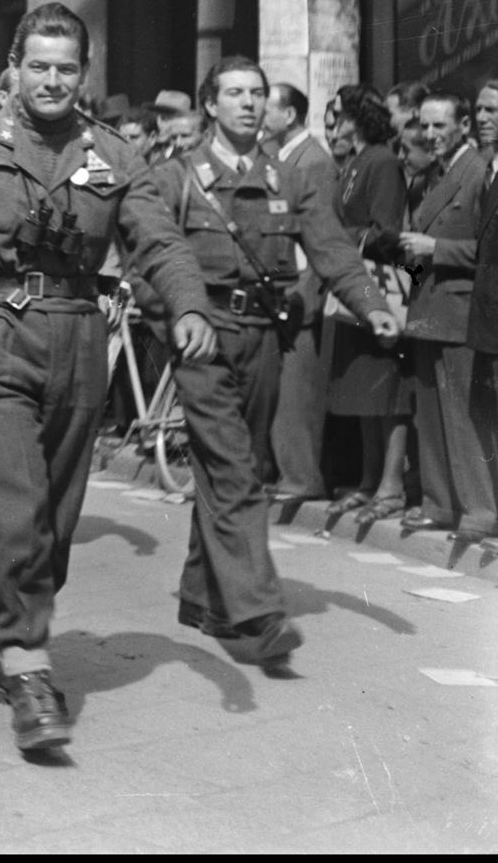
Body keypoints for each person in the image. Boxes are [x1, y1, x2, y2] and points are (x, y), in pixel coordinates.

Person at [0, 4, 215, 755]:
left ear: (84, 73)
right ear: (14, 69)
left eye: (66, 68)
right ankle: (28, 664)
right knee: (17, 512)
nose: (51, 80)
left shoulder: (113, 152)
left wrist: (187, 304)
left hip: (78, 341)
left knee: (56, 520)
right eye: (38, 66)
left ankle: (18, 640)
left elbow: (158, 241)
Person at [151, 58, 398, 664]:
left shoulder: (289, 177)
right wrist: (176, 323)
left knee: (237, 463)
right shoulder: (177, 176)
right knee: (234, 467)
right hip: (203, 336)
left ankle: (201, 594)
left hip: (263, 336)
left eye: (257, 93)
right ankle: (258, 611)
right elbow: (148, 261)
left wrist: (371, 305)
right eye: (235, 93)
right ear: (210, 105)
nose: (248, 103)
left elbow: (331, 247)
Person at [399, 91, 495, 542]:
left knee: (461, 417)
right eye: (425, 125)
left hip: (458, 309)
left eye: (440, 125)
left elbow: (490, 250)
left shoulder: (477, 172)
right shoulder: (430, 175)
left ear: (463, 126)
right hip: (426, 307)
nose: (430, 134)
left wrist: (435, 248)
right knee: (430, 417)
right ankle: (439, 504)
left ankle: (479, 511)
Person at [322, 86, 412, 522]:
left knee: (386, 391)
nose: (334, 123)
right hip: (355, 289)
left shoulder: (382, 162)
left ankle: (391, 486)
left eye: (340, 115)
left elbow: (386, 229)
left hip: (379, 287)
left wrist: (341, 240)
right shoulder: (355, 163)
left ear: (357, 119)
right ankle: (369, 480)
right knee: (362, 390)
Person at [262, 82, 338, 504]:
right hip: (280, 288)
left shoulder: (314, 161)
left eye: (267, 107)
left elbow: (318, 237)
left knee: (297, 393)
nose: (258, 114)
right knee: (280, 392)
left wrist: (304, 298)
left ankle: (302, 477)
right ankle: (284, 472)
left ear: (289, 115)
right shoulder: (281, 157)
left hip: (301, 293)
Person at [465, 77, 498, 551]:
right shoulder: (491, 168)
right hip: (488, 319)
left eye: (492, 109)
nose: (482, 118)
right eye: (479, 110)